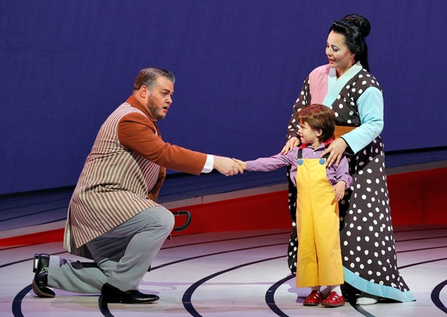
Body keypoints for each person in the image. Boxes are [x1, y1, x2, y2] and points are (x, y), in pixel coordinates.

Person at [31, 67, 243, 304]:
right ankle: (119, 292)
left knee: (117, 275)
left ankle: (50, 272)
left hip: (109, 209)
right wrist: (215, 162)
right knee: (160, 219)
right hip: (101, 205)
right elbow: (164, 153)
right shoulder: (130, 118)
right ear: (144, 91)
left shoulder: (138, 118)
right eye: (164, 93)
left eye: (171, 95)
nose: (170, 100)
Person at [280, 14, 416, 304]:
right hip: (320, 160)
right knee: (322, 221)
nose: (329, 53)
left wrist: (344, 141)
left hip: (358, 160)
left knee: (358, 223)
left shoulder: (366, 83)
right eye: (328, 46)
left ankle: (364, 284)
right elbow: (300, 112)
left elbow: (374, 124)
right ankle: (327, 281)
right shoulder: (317, 75)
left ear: (352, 52)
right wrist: (295, 134)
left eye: (336, 48)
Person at [235, 104, 353, 307]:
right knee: (307, 247)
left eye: (303, 127)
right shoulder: (297, 154)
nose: (299, 131)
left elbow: (345, 175)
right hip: (304, 208)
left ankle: (335, 289)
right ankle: (314, 289)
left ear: (318, 131)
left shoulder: (333, 153)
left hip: (326, 207)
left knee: (327, 246)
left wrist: (342, 183)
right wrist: (245, 165)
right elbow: (271, 162)